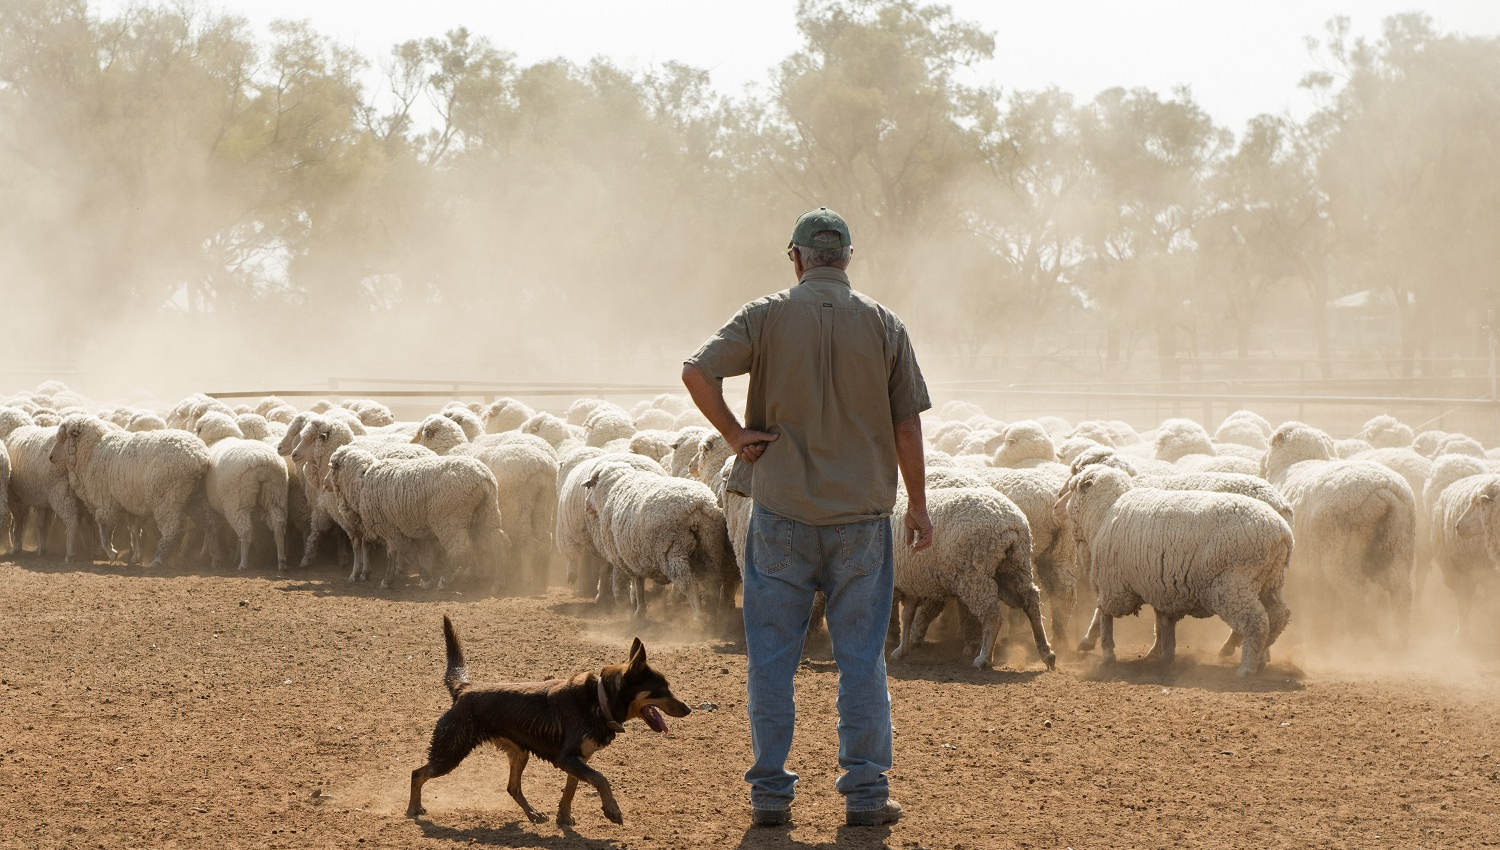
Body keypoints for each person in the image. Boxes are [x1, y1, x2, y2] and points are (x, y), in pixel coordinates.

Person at [681, 206, 933, 829]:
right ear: (847, 256)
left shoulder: (765, 315)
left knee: (771, 658)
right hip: (861, 519)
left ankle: (770, 795)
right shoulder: (883, 324)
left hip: (782, 514)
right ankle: (867, 795)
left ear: (795, 257)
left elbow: (695, 369)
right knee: (861, 658)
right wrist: (920, 503)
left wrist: (738, 435)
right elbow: (906, 423)